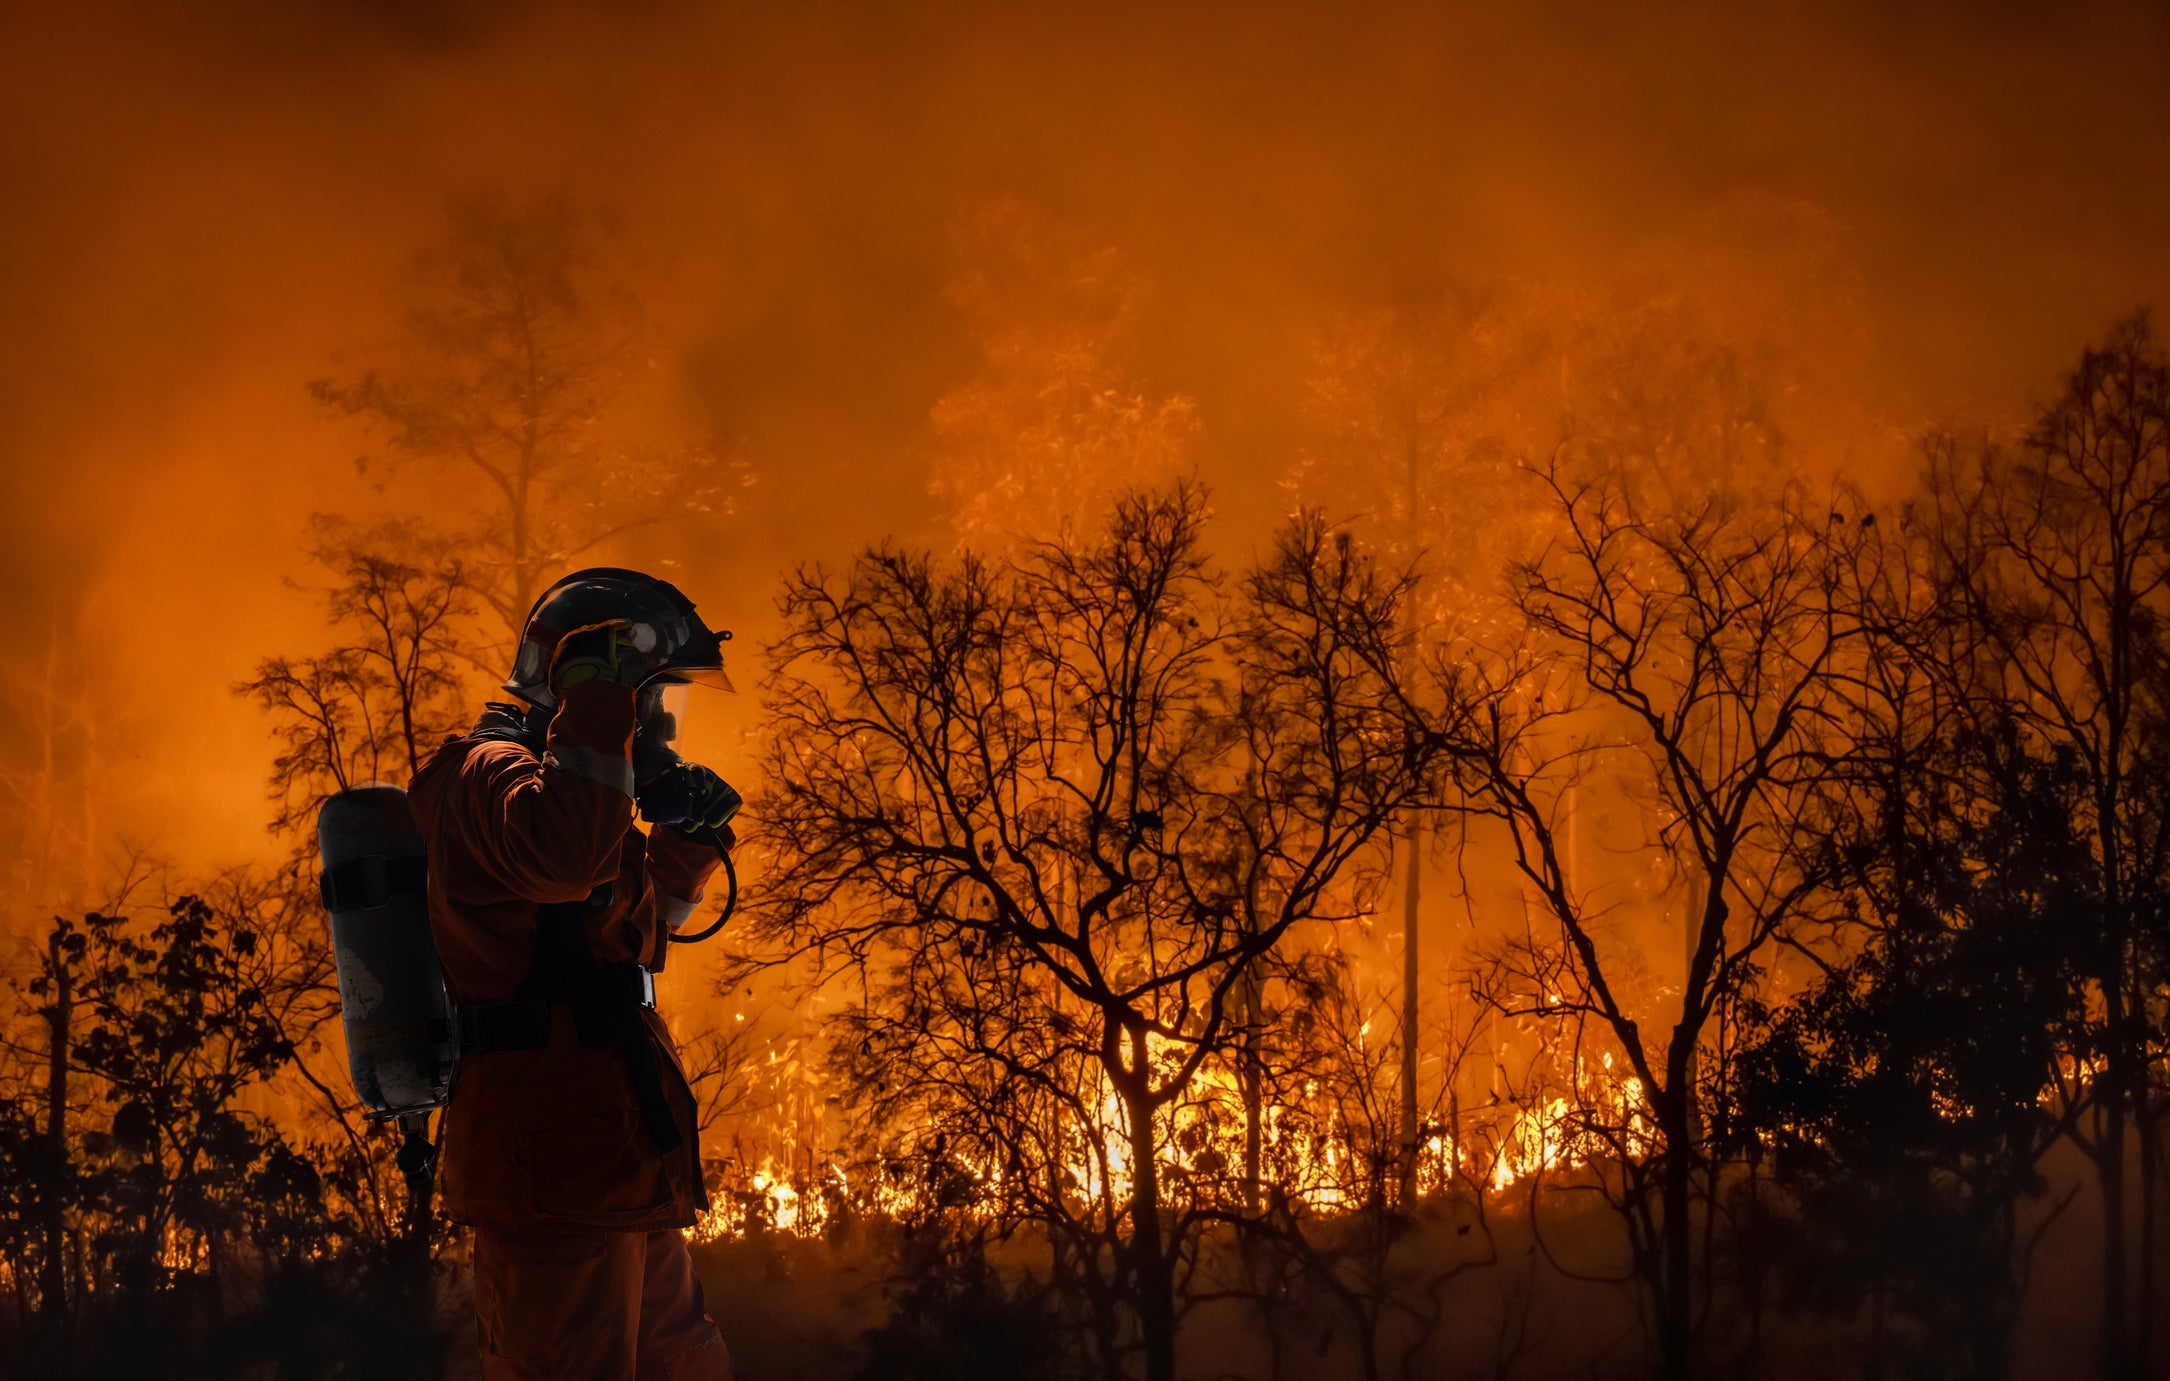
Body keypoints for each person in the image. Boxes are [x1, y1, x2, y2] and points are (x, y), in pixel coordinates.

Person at [408, 568, 743, 1380]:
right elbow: (561, 862)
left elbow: (625, 942)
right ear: (585, 679)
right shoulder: (485, 774)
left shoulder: (568, 788)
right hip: (551, 1172)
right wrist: (597, 710)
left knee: (683, 1366)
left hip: (617, 1162)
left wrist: (690, 844)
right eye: (650, 694)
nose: (658, 722)